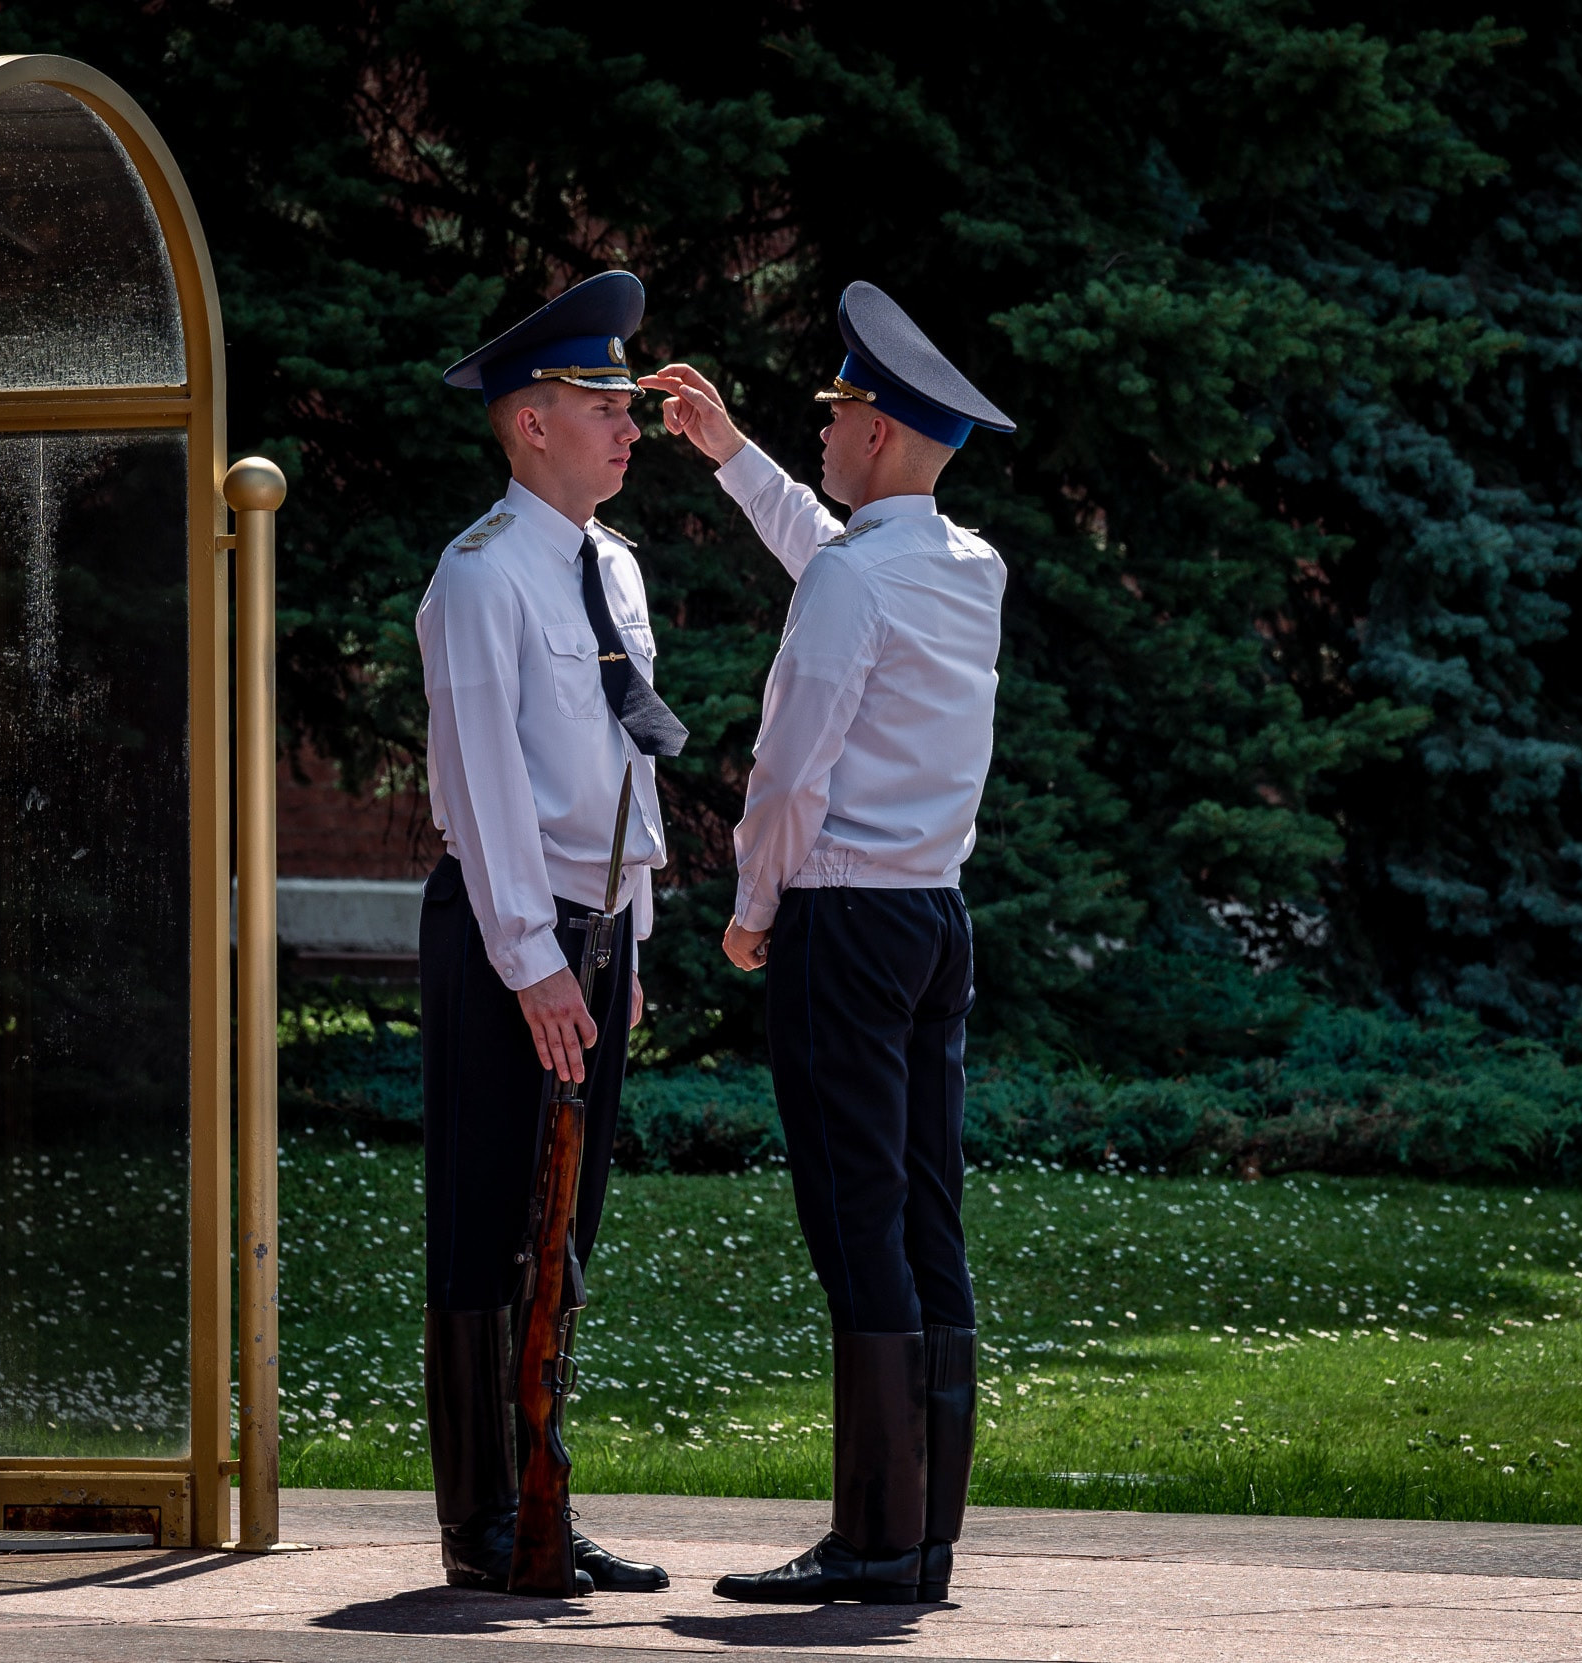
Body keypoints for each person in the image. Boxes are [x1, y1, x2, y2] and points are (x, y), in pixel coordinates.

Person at [639, 280, 1015, 1605]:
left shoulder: (863, 579)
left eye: (836, 414)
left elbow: (790, 773)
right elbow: (838, 556)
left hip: (843, 921)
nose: (823, 430)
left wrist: (752, 908)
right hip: (933, 920)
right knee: (925, 1214)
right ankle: (923, 1539)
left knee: (856, 1221)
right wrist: (730, 451)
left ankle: (872, 1542)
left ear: (879, 434)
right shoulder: (967, 567)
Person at [416, 269, 683, 1596]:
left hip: (595, 930)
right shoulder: (480, 578)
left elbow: (624, 763)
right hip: (505, 931)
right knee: (488, 1215)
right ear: (532, 424)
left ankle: (546, 1498)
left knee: (567, 1224)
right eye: (605, 407)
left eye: (629, 407)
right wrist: (532, 960)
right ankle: (483, 1522)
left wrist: (627, 931)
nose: (632, 428)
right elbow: (486, 788)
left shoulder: (611, 566)